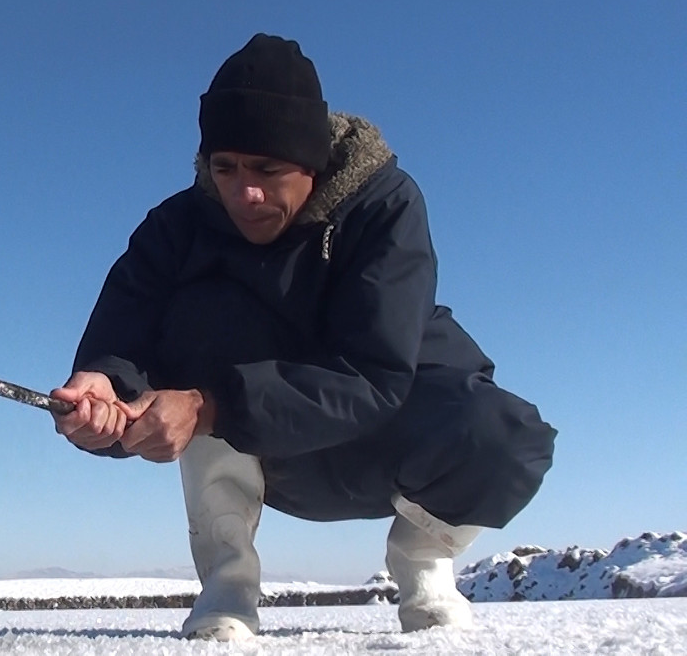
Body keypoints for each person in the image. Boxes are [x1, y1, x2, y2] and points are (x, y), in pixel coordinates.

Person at [50, 33, 557, 641]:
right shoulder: (175, 229)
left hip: (379, 434)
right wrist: (105, 389)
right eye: (225, 168)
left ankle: (423, 567)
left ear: (312, 165)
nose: (245, 193)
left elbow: (374, 374)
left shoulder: (386, 206)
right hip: (254, 453)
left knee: (502, 436)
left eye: (267, 170)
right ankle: (227, 587)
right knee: (201, 330)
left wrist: (209, 406)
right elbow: (121, 337)